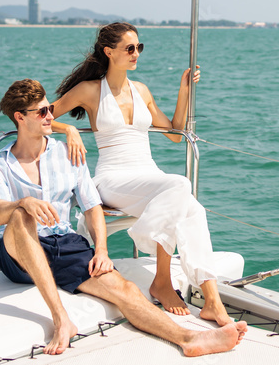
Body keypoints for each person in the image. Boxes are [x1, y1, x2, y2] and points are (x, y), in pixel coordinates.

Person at [0, 79, 246, 356]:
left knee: (126, 289)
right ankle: (62, 320)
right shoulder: (1, 165)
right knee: (20, 215)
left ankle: (189, 338)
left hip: (64, 246)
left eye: (49, 109)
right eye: (42, 112)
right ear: (20, 117)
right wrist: (23, 202)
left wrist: (102, 251)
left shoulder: (66, 154)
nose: (50, 116)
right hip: (17, 255)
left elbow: (91, 206)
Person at [48, 22, 235, 327]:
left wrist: (184, 90)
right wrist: (68, 128)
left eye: (139, 48)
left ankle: (212, 300)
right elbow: (43, 115)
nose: (137, 54)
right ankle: (161, 280)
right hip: (111, 179)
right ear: (109, 52)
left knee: (193, 209)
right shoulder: (90, 90)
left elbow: (174, 134)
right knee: (179, 186)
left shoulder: (142, 91)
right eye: (130, 48)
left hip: (148, 177)